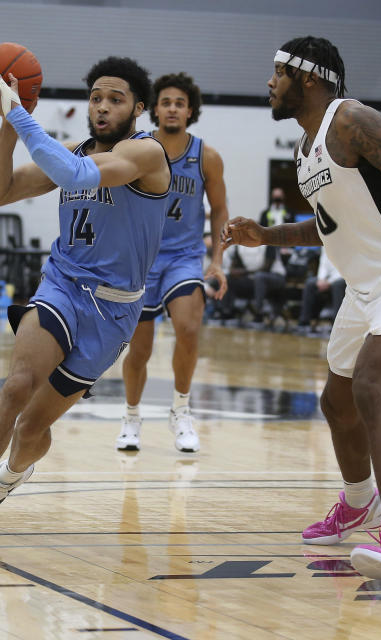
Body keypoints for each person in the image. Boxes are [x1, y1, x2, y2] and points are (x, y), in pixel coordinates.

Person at [222, 36, 381, 590]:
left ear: (308, 77)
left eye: (278, 72)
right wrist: (266, 235)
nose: (270, 82)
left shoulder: (349, 119)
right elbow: (327, 227)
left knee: (373, 388)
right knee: (336, 400)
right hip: (363, 284)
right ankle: (358, 505)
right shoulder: (307, 149)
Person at [0, 57, 170, 556]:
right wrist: (5, 125)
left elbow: (75, 174)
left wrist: (19, 113)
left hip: (113, 312)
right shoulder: (73, 150)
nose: (102, 108)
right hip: (62, 286)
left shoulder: (147, 154)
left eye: (116, 99)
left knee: (33, 428)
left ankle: (13, 472)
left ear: (139, 108)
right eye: (96, 98)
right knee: (19, 382)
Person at [117, 72, 229, 453]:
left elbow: (220, 211)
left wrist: (216, 259)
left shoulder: (207, 157)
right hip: (143, 258)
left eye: (179, 102)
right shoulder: (139, 149)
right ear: (154, 109)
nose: (172, 108)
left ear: (190, 110)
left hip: (184, 257)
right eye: (165, 102)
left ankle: (181, 410)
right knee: (141, 349)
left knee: (188, 328)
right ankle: (131, 417)